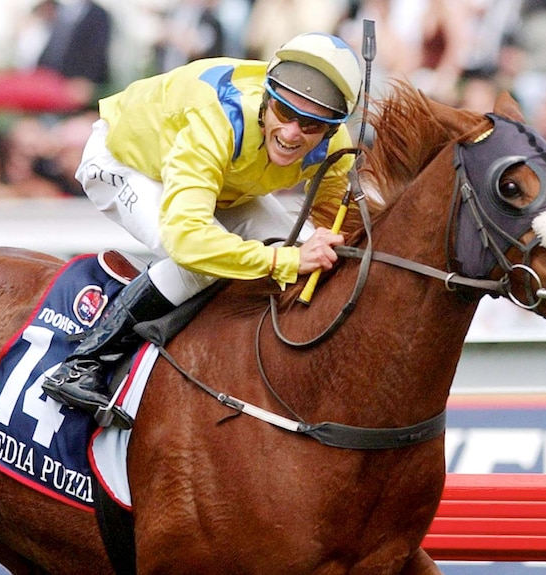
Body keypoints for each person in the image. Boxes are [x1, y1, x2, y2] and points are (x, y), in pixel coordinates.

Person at [42, 32, 363, 428]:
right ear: (267, 98)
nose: (293, 133)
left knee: (294, 247)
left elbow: (332, 225)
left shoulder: (336, 147)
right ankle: (82, 363)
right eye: (283, 111)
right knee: (204, 262)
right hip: (125, 162)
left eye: (312, 124)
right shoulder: (216, 119)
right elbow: (187, 240)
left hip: (220, 185)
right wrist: (284, 259)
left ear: (332, 129)